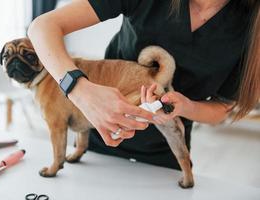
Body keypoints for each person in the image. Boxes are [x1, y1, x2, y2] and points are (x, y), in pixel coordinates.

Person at [27, 0, 260, 169]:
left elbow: (223, 108)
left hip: (165, 153)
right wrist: (79, 90)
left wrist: (185, 106)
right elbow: (43, 27)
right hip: (98, 141)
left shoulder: (250, 26)